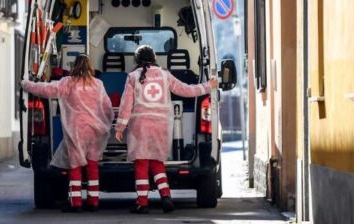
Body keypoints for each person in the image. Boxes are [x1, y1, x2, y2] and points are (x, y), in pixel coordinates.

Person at [115, 45, 218, 214]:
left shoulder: (133, 77)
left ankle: (142, 203)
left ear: (137, 60)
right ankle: (166, 197)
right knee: (157, 163)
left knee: (141, 164)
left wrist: (120, 126)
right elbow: (186, 90)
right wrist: (208, 86)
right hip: (161, 126)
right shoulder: (165, 75)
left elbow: (126, 104)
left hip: (140, 127)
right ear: (154, 58)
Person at [21, 54, 113, 213]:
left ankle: (75, 203)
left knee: (75, 166)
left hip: (76, 130)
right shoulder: (98, 84)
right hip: (95, 130)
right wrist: (107, 125)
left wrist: (26, 84)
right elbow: (107, 107)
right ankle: (93, 202)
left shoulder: (68, 83)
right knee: (92, 166)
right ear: (90, 66)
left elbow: (46, 90)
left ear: (74, 66)